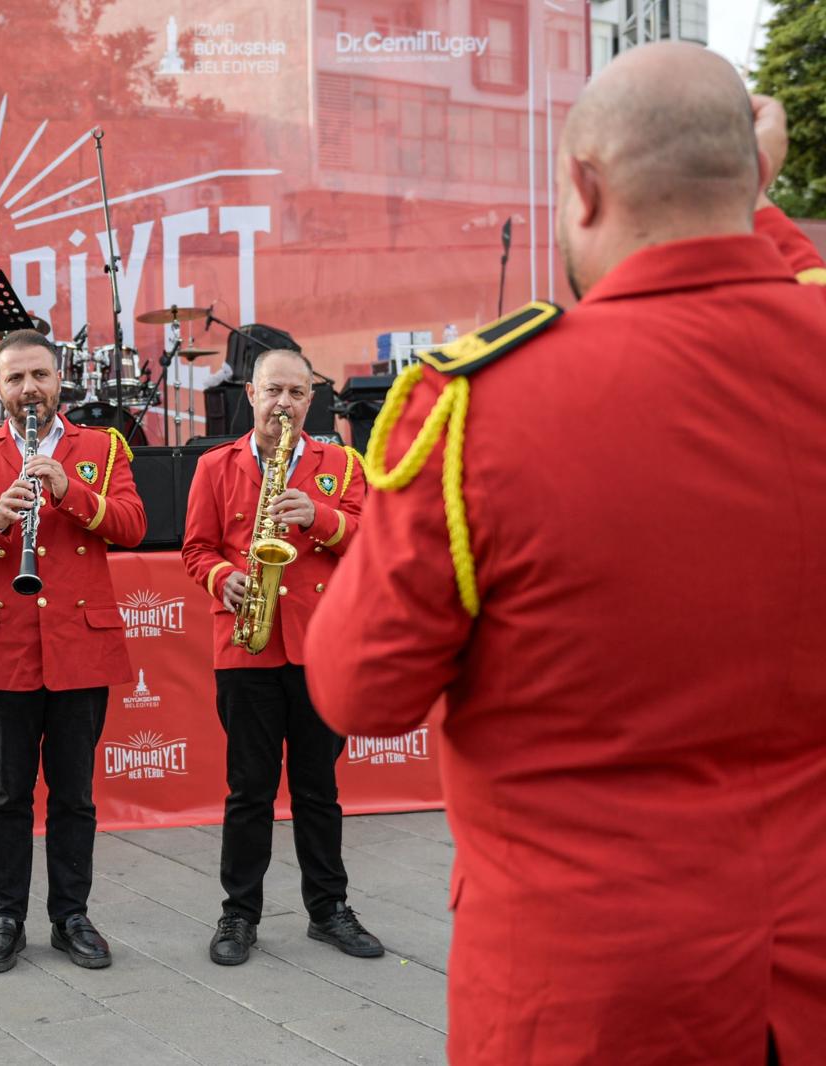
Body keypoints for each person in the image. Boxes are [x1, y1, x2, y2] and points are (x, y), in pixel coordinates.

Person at [304, 45, 826, 1065]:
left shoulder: (477, 407)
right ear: (755, 178)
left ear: (583, 187)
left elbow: (360, 691)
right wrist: (755, 202)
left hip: (591, 994)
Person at [0, 329, 146, 973]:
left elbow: (133, 526)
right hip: (5, 644)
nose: (29, 389)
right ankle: (6, 917)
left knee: (74, 794)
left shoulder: (103, 447)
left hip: (81, 642)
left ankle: (71, 916)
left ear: (60, 381)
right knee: (6, 794)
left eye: (40, 376)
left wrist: (69, 491)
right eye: (16, 378)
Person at [181, 347, 382, 965]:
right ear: (251, 394)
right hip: (247, 646)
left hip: (321, 646)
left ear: (311, 399)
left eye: (296, 393)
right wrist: (222, 579)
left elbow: (372, 541)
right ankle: (239, 914)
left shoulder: (342, 464)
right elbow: (196, 549)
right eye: (273, 391)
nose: (284, 404)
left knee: (318, 790)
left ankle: (329, 909)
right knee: (249, 791)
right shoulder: (215, 465)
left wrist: (320, 516)